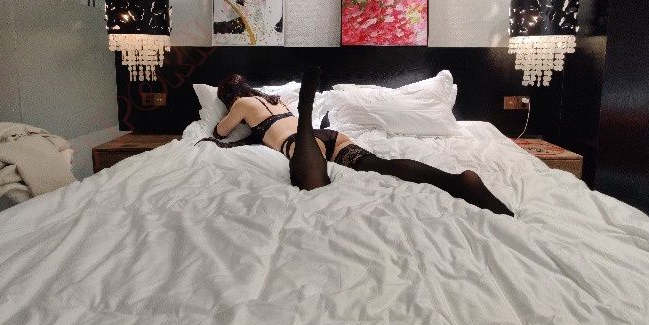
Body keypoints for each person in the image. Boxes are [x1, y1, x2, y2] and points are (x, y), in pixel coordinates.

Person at [201, 68, 513, 216]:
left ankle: (307, 113)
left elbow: (220, 132)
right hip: (332, 137)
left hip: (301, 143)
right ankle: (456, 181)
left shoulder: (242, 104)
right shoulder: (275, 101)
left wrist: (229, 113)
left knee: (312, 183)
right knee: (379, 165)